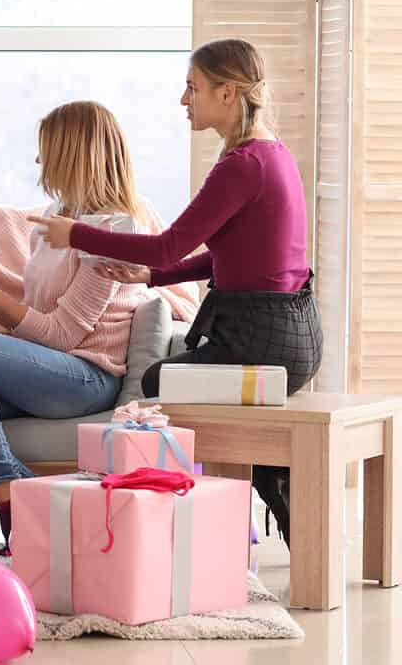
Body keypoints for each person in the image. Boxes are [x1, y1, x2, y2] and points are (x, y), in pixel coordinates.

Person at [30, 38, 322, 547]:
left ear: (227, 94)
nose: (184, 101)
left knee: (156, 382)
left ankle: (224, 505)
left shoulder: (242, 165)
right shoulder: (273, 156)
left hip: (261, 341)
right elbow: (237, 257)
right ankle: (257, 480)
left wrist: (73, 234)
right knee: (172, 375)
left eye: (193, 88)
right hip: (297, 334)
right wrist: (149, 280)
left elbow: (168, 246)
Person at [0, 100, 150, 554]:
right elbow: (38, 302)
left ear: (71, 153)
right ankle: (37, 498)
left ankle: (4, 488)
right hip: (51, 370)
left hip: (85, 376)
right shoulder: (57, 219)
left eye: (46, 150)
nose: (39, 162)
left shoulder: (113, 231)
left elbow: (61, 336)